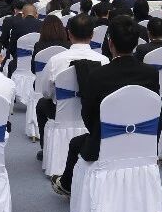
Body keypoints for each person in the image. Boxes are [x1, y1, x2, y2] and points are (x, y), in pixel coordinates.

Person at [51, 18, 159, 195]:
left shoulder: (98, 75)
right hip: (142, 143)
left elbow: (88, 115)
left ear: (110, 43)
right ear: (136, 43)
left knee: (76, 142)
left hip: (105, 143)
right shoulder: (151, 73)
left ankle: (66, 186)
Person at [35, 14, 109, 146]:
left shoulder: (55, 61)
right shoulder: (104, 61)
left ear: (68, 33)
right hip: (94, 115)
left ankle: (44, 147)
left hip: (61, 115)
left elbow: (46, 93)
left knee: (41, 104)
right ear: (92, 34)